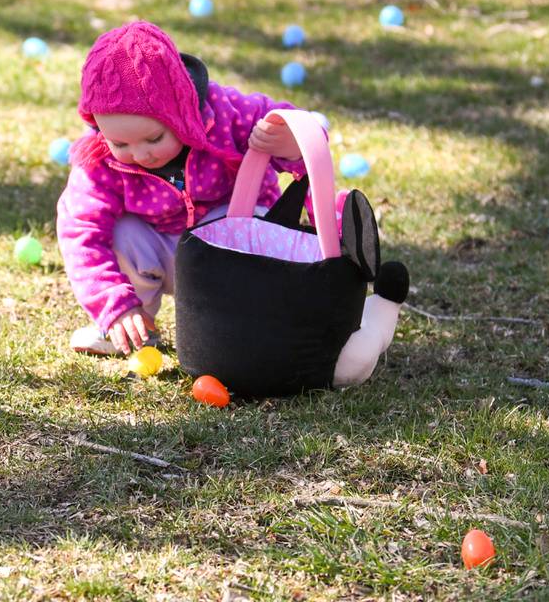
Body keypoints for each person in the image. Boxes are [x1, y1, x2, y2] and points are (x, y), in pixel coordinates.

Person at [56, 21, 407, 387]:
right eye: (120, 144)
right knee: (124, 234)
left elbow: (302, 131)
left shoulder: (226, 114)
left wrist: (285, 145)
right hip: (164, 253)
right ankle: (134, 326)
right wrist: (113, 303)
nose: (140, 154)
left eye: (153, 137)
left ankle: (251, 329)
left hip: (231, 259)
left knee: (246, 221)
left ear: (180, 109)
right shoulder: (99, 159)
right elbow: (81, 230)